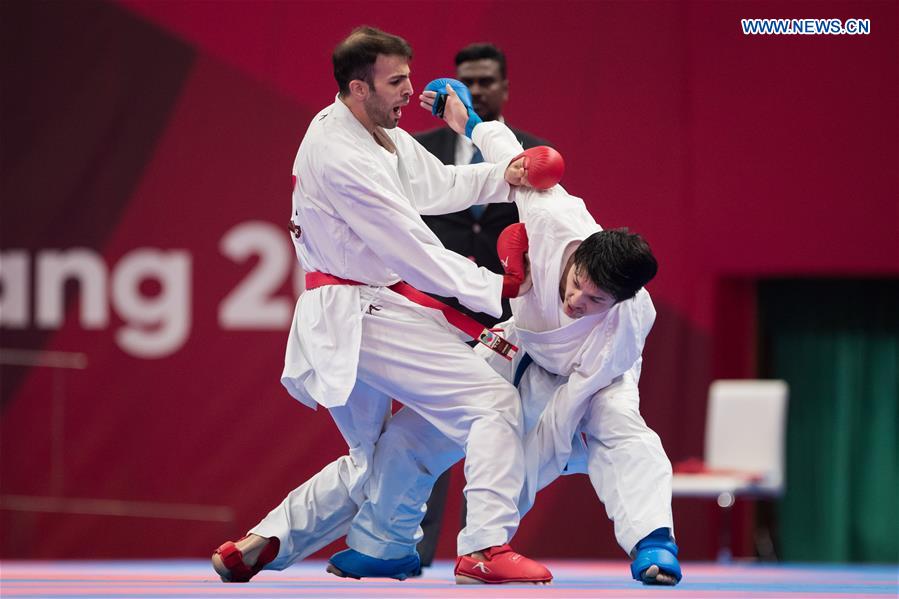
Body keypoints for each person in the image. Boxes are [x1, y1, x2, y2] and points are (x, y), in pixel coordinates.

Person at [210, 27, 552, 585]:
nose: (409, 92)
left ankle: (273, 538)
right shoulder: (342, 155)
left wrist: (504, 175)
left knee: (373, 458)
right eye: (396, 82)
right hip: (362, 311)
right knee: (492, 405)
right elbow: (413, 251)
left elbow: (435, 184)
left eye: (409, 77)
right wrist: (498, 288)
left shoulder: (371, 131)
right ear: (357, 87)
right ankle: (485, 548)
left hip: (357, 307)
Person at [338, 84, 682, 585]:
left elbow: (559, 426)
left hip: (588, 380)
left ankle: (653, 542)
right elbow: (511, 158)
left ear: (619, 302)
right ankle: (383, 543)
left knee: (621, 431)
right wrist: (468, 121)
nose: (577, 301)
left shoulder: (625, 323)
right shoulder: (552, 216)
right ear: (580, 255)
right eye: (578, 284)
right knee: (419, 427)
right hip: (520, 343)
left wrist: (503, 508)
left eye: (594, 302)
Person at [413, 42, 552, 570]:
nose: (475, 91)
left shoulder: (536, 152)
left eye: (486, 81)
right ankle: (413, 547)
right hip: (437, 309)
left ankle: (484, 542)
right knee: (430, 426)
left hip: (508, 318)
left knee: (497, 427)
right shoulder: (418, 151)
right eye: (465, 81)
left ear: (505, 88)